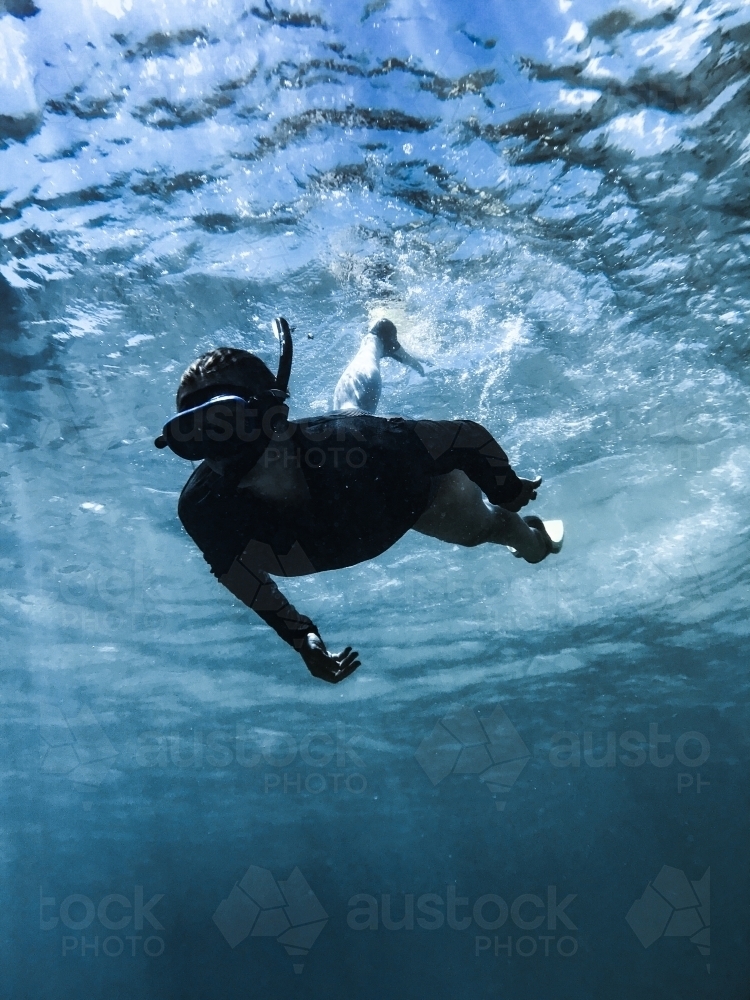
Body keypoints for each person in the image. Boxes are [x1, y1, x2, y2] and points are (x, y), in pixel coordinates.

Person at [158, 318, 563, 684]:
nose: (216, 451)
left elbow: (467, 437)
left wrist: (506, 491)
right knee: (348, 412)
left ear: (274, 417)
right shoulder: (204, 508)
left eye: (225, 424)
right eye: (192, 434)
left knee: (487, 528)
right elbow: (245, 581)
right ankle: (376, 341)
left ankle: (533, 541)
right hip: (360, 492)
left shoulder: (370, 445)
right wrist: (302, 638)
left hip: (413, 496)